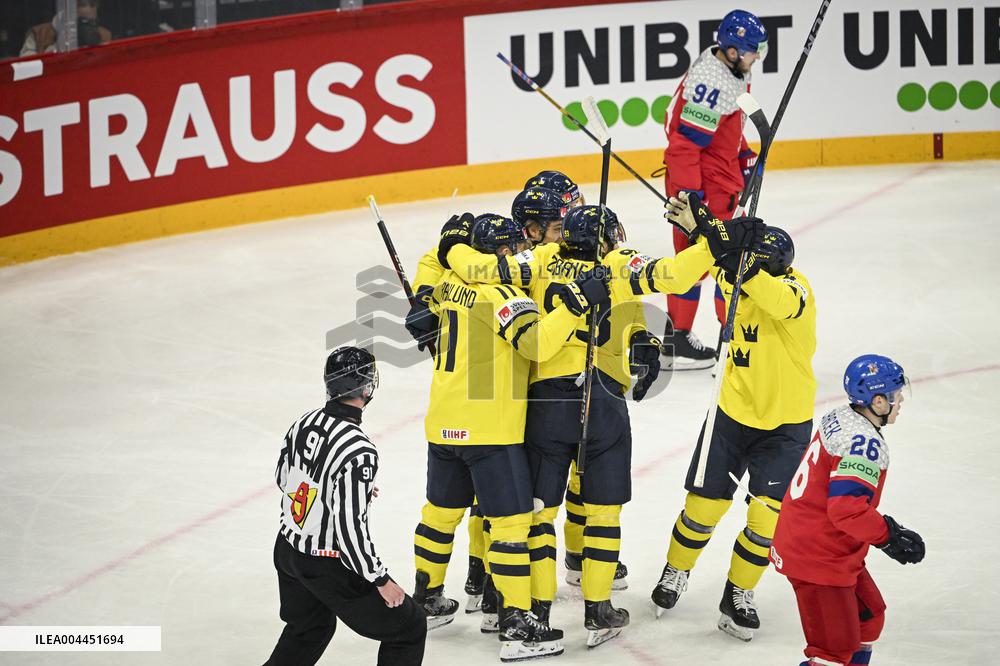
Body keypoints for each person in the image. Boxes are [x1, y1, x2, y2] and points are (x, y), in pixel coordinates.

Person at [443, 195, 762, 648]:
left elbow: (477, 269)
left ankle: (533, 610)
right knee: (603, 512)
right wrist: (714, 239)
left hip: (546, 401)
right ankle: (598, 609)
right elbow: (674, 275)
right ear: (606, 238)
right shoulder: (617, 262)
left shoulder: (538, 260)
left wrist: (449, 246)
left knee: (538, 515)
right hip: (603, 402)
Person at [410, 213, 608, 661]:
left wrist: (445, 250)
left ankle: (426, 599)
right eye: (514, 247)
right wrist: (574, 306)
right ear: (500, 252)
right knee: (512, 525)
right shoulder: (504, 297)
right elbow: (537, 345)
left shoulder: (445, 284)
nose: (521, 253)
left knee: (440, 514)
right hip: (490, 430)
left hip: (443, 424)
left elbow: (434, 262)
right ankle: (517, 624)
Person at [650, 194, 815, 642]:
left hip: (785, 427)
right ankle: (675, 571)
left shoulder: (795, 292)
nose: (736, 281)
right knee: (703, 508)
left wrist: (725, 243)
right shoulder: (735, 278)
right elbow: (720, 255)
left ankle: (738, 593)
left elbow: (773, 297)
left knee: (766, 521)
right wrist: (705, 224)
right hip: (732, 414)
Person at [266, 347, 426, 666]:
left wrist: (337, 489)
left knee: (309, 628)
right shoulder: (358, 450)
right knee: (409, 626)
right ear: (367, 387)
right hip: (325, 565)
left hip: (287, 550)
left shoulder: (305, 422)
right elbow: (350, 530)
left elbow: (286, 479)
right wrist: (381, 579)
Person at [770, 355, 924, 666]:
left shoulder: (842, 416)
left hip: (824, 547)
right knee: (832, 652)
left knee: (869, 617)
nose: (901, 400)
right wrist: (888, 536)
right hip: (817, 557)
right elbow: (847, 510)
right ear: (878, 401)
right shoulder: (862, 442)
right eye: (895, 395)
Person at [660, 10, 768, 369]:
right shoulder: (713, 84)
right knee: (726, 261)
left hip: (715, 183)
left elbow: (723, 131)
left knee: (701, 262)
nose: (757, 57)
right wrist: (693, 199)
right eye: (754, 51)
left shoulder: (728, 71)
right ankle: (731, 341)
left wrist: (744, 156)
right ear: (735, 50)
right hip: (706, 191)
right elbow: (684, 147)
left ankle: (681, 337)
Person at [20, 0, 111, 57]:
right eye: (83, 22)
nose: (88, 28)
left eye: (93, 22)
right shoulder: (39, 34)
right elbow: (25, 69)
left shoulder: (103, 35)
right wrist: (58, 48)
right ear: (66, 18)